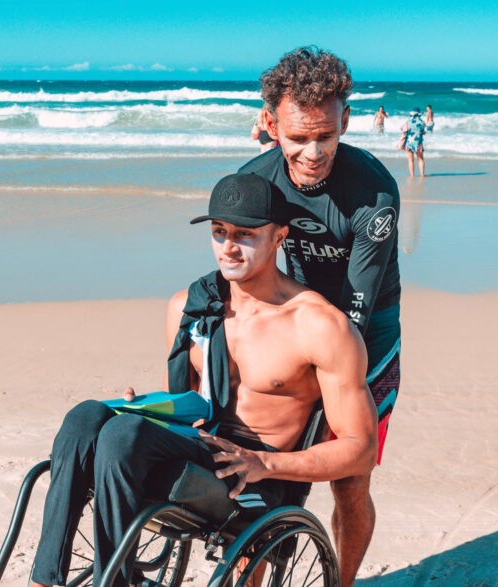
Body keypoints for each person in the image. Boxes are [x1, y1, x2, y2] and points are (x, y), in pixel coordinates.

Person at [29, 173, 378, 587]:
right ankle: (45, 581)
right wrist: (147, 409)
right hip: (196, 450)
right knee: (86, 417)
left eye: (244, 234)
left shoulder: (319, 326)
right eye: (219, 232)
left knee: (123, 435)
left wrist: (264, 462)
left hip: (251, 482)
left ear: (280, 236)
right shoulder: (192, 305)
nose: (228, 247)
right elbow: (181, 402)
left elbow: (360, 449)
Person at [239, 46, 401, 587]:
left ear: (345, 121)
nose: (312, 152)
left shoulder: (372, 192)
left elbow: (352, 313)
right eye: (297, 137)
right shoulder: (256, 182)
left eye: (325, 136)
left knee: (349, 478)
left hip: (366, 330)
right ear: (270, 124)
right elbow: (240, 274)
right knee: (255, 470)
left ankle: (344, 582)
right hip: (293, 319)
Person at [402, 107, 426, 177]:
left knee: (410, 160)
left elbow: (403, 130)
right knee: (420, 159)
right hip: (418, 143)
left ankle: (412, 175)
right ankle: (422, 174)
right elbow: (424, 132)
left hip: (409, 143)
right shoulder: (422, 122)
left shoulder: (408, 122)